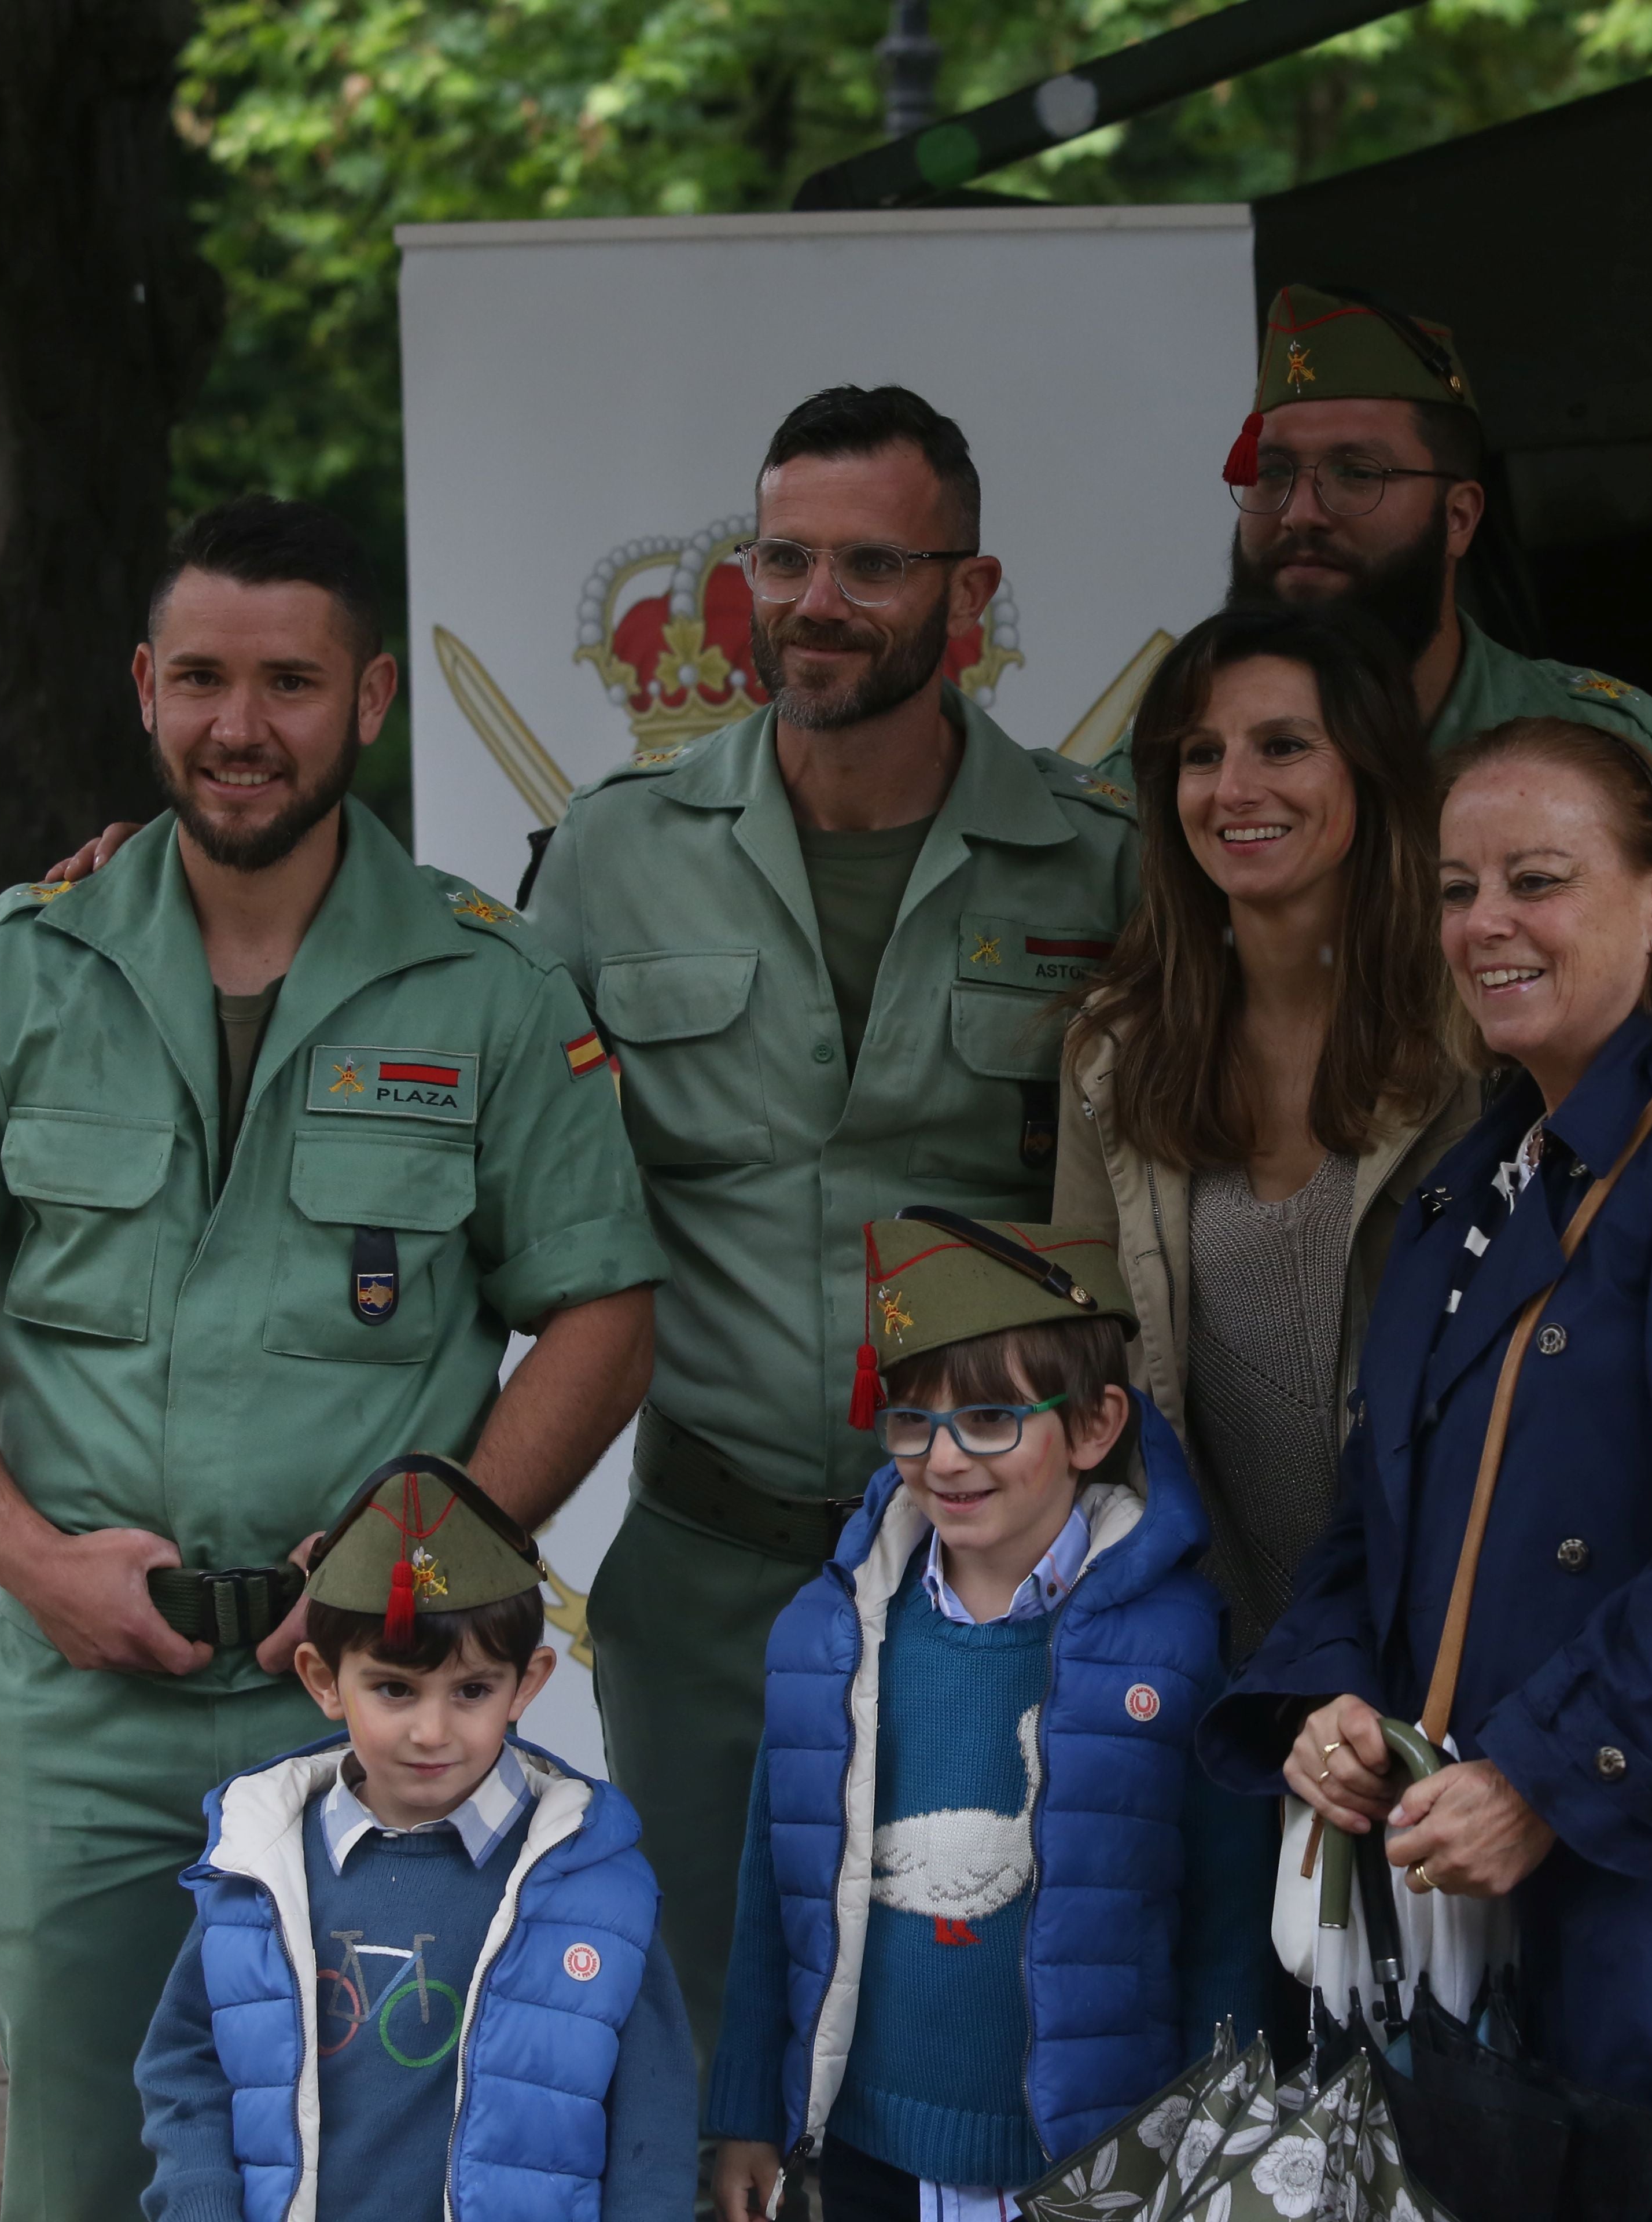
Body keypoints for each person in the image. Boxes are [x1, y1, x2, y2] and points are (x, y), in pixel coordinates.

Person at [0, 496, 663, 2221]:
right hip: (83, 1709)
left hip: (377, 1707)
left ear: (368, 701)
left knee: (378, 2163)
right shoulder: (19, 970)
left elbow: (603, 1311)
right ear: (146, 686)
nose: (239, 724)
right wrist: (23, 1557)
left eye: (289, 680)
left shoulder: (488, 988)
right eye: (202, 676)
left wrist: (408, 1568)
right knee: (84, 2171)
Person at [1205, 716, 1652, 2217]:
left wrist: (1546, 1771)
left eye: (1537, 880)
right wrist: (1321, 1697)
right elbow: (1375, 1516)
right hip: (1491, 1918)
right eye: (1459, 891)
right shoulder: (1475, 1174)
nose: (1486, 927)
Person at [523, 386, 1139, 2059]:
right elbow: (485, 1153)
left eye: (873, 564)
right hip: (714, 1575)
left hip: (1002, 1575)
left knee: (975, 2046)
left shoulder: (1101, 866)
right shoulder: (612, 858)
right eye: (784, 558)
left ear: (973, 592)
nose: (814, 603)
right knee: (713, 2045)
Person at [706, 1216, 1267, 2222]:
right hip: (869, 2154)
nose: (947, 1457)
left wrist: (1215, 2131)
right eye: (914, 1420)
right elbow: (772, 1886)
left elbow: (1226, 1922)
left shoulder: (1175, 1648)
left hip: (1100, 2162)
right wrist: (748, 2107)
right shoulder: (828, 1637)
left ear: (1094, 1428)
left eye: (993, 1418)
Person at [1052, 601, 1477, 1658]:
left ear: (1372, 769)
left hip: (1446, 1656)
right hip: (1206, 1667)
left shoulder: (1483, 1031)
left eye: (1283, 746)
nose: (1235, 789)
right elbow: (1083, 1365)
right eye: (1201, 755)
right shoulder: (1113, 1050)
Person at [135, 1454, 700, 2222]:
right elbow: (185, 2068)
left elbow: (654, 2127)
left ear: (527, 1684)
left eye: (472, 1690)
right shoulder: (257, 1867)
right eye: (394, 1689)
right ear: (324, 1679)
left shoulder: (597, 1887)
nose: (431, 1732)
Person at [1091, 283, 1652, 797]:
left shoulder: (1610, 752)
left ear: (1459, 519)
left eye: (1357, 474)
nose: (1301, 514)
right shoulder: (1165, 766)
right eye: (1271, 473)